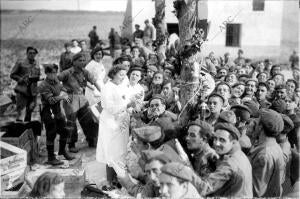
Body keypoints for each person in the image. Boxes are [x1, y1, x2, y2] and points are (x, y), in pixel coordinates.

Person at [96, 64, 137, 188]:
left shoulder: (121, 86)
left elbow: (126, 99)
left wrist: (131, 104)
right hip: (111, 122)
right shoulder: (107, 87)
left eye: (125, 75)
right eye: (120, 74)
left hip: (122, 121)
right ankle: (110, 181)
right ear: (113, 74)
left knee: (121, 151)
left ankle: (118, 178)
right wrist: (127, 105)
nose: (123, 77)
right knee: (111, 152)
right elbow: (108, 107)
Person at [191, 122, 253, 197]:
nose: (216, 143)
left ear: (233, 143)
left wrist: (187, 173)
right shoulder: (241, 155)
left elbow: (204, 188)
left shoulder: (230, 164)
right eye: (215, 139)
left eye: (222, 140)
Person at [58, 52, 102, 151]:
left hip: (82, 98)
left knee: (89, 119)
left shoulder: (85, 72)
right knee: (71, 122)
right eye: (80, 61)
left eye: (83, 60)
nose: (82, 62)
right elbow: (56, 80)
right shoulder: (67, 72)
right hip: (70, 99)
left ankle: (92, 140)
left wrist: (103, 94)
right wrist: (62, 91)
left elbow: (95, 82)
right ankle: (71, 144)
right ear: (74, 62)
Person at [39, 64, 74, 165]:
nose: (53, 75)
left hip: (58, 110)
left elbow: (63, 88)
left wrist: (63, 92)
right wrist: (61, 97)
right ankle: (51, 158)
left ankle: (62, 151)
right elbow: (50, 100)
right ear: (47, 73)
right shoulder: (43, 85)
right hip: (48, 111)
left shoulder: (56, 81)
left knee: (64, 131)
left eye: (55, 72)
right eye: (51, 73)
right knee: (51, 133)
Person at [248, 109, 286, 197]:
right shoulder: (274, 146)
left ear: (261, 127)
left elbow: (257, 191)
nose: (255, 123)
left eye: (258, 121)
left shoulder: (264, 154)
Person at [10, 46, 41, 122]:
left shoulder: (37, 64)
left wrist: (37, 78)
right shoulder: (20, 62)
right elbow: (12, 74)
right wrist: (20, 79)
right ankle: (19, 131)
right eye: (30, 53)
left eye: (34, 53)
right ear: (27, 53)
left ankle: (27, 130)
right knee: (21, 113)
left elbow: (38, 74)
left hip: (33, 92)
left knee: (29, 112)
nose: (32, 55)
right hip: (22, 90)